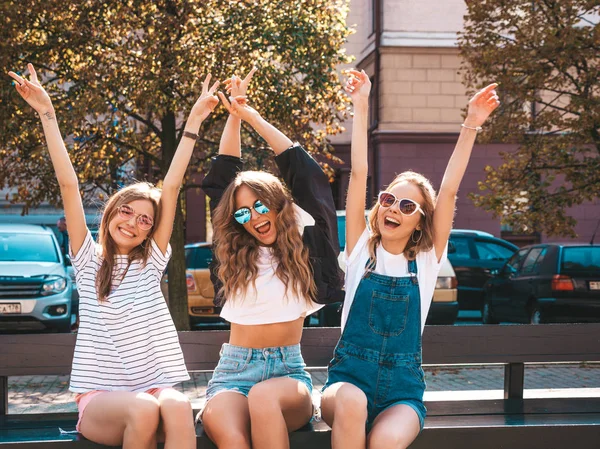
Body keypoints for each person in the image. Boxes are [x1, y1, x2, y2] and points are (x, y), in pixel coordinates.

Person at [8, 63, 220, 449]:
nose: (133, 223)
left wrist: (193, 122)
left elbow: (170, 186)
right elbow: (68, 184)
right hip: (101, 402)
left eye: (144, 220)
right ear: (111, 212)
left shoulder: (150, 261)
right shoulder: (88, 260)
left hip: (152, 389)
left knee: (176, 404)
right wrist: (47, 113)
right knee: (143, 409)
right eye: (126, 211)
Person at [320, 70, 500, 449]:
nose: (393, 208)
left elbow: (448, 190)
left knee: (386, 443)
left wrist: (471, 124)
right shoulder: (360, 251)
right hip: (347, 383)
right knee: (352, 402)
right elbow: (358, 174)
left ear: (421, 221)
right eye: (388, 199)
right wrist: (361, 103)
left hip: (401, 392)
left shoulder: (428, 261)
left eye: (407, 205)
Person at [199, 70, 344, 449]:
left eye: (260, 205)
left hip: (286, 373)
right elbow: (220, 183)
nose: (254, 217)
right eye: (243, 213)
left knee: (264, 400)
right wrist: (230, 116)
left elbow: (304, 173)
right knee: (227, 430)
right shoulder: (232, 256)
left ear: (279, 204)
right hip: (232, 369)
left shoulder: (306, 242)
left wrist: (249, 115)